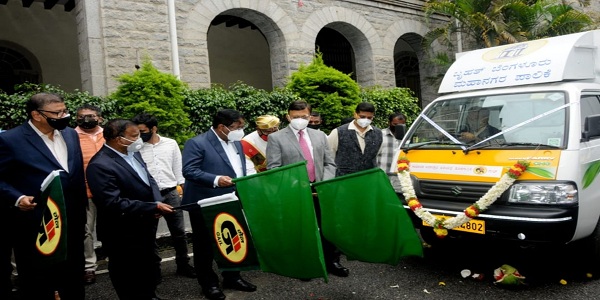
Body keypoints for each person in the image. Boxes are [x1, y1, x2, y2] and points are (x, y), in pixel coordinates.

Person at [0, 93, 87, 299]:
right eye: (57, 113)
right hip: (37, 224)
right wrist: (17, 198)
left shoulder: (70, 134)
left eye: (65, 111)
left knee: (73, 277)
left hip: (72, 221)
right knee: (39, 281)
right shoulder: (9, 140)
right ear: (36, 115)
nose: (64, 115)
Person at [86, 119, 174, 300]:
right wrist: (151, 206)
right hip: (121, 232)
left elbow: (149, 180)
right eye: (134, 136)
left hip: (145, 224)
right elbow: (112, 202)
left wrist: (156, 202)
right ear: (119, 139)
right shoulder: (100, 165)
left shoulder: (133, 153)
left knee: (147, 267)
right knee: (127, 275)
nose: (140, 139)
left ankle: (149, 294)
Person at [266, 100, 349, 278]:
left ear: (310, 116)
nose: (300, 120)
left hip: (321, 189)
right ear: (288, 116)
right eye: (295, 117)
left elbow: (329, 163)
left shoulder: (319, 136)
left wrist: (324, 184)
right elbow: (273, 169)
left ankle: (332, 261)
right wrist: (295, 184)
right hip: (294, 192)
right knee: (301, 229)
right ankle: (305, 264)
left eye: (304, 116)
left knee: (327, 227)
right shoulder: (276, 138)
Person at [181, 109, 257, 300]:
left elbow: (240, 167)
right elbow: (189, 170)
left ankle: (232, 276)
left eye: (242, 127)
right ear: (222, 127)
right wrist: (215, 179)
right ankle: (209, 283)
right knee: (204, 246)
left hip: (232, 200)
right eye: (237, 127)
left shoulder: (237, 142)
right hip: (206, 202)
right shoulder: (197, 143)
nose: (240, 130)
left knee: (232, 240)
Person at [132, 113, 196, 278]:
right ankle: (154, 269)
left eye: (143, 131)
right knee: (149, 235)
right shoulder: (135, 148)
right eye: (137, 131)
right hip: (148, 197)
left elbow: (178, 167)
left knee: (179, 232)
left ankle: (183, 265)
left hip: (171, 193)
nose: (140, 135)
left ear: (154, 128)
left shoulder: (170, 143)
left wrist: (184, 188)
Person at [75, 104, 105, 285]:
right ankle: (89, 267)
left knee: (113, 228)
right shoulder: (70, 136)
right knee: (86, 231)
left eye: (91, 116)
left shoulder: (109, 134)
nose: (86, 119)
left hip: (108, 191)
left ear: (99, 118)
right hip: (84, 193)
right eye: (82, 116)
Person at [328, 102, 383, 177]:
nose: (365, 120)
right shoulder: (338, 132)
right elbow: (329, 157)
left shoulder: (378, 133)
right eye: (362, 117)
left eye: (369, 118)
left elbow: (376, 154)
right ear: (355, 114)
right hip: (343, 179)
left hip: (369, 179)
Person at [376, 112, 406, 191]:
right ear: (389, 123)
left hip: (399, 178)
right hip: (382, 176)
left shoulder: (407, 137)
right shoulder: (379, 135)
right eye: (395, 124)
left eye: (401, 125)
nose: (398, 127)